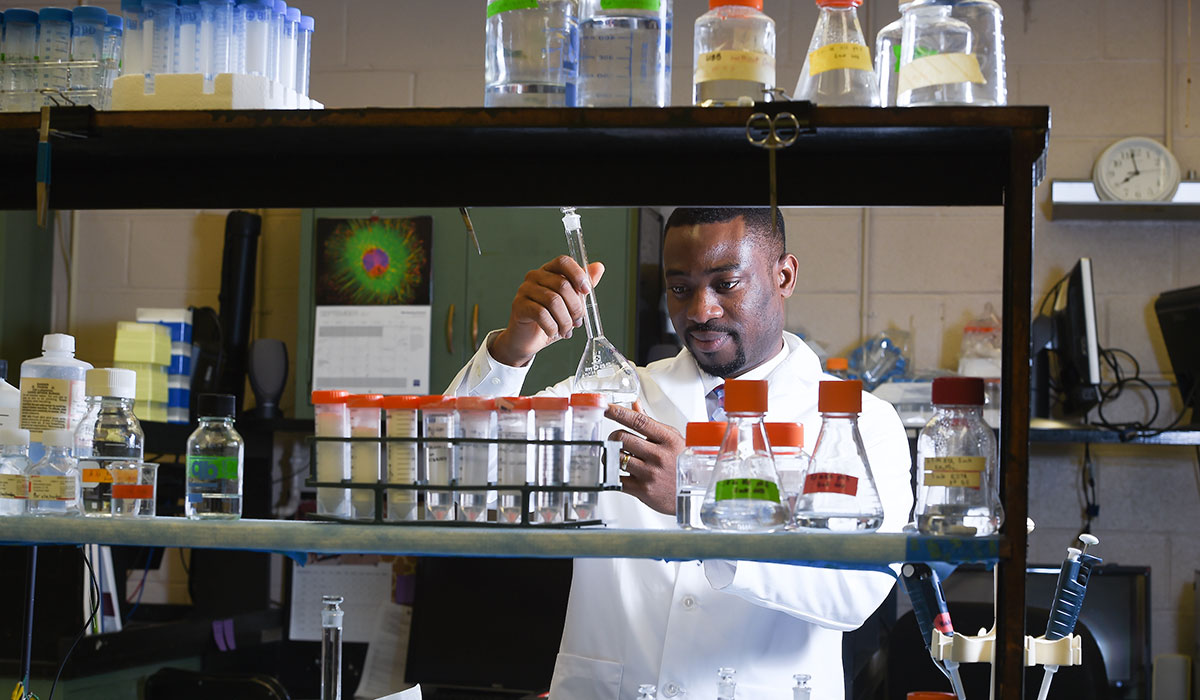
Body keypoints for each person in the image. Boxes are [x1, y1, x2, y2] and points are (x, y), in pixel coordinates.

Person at [446, 207, 913, 700]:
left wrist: (697, 500)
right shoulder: (618, 395)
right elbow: (454, 470)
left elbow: (855, 592)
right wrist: (512, 350)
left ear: (784, 275)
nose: (700, 311)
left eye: (726, 284)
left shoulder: (855, 422)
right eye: (680, 288)